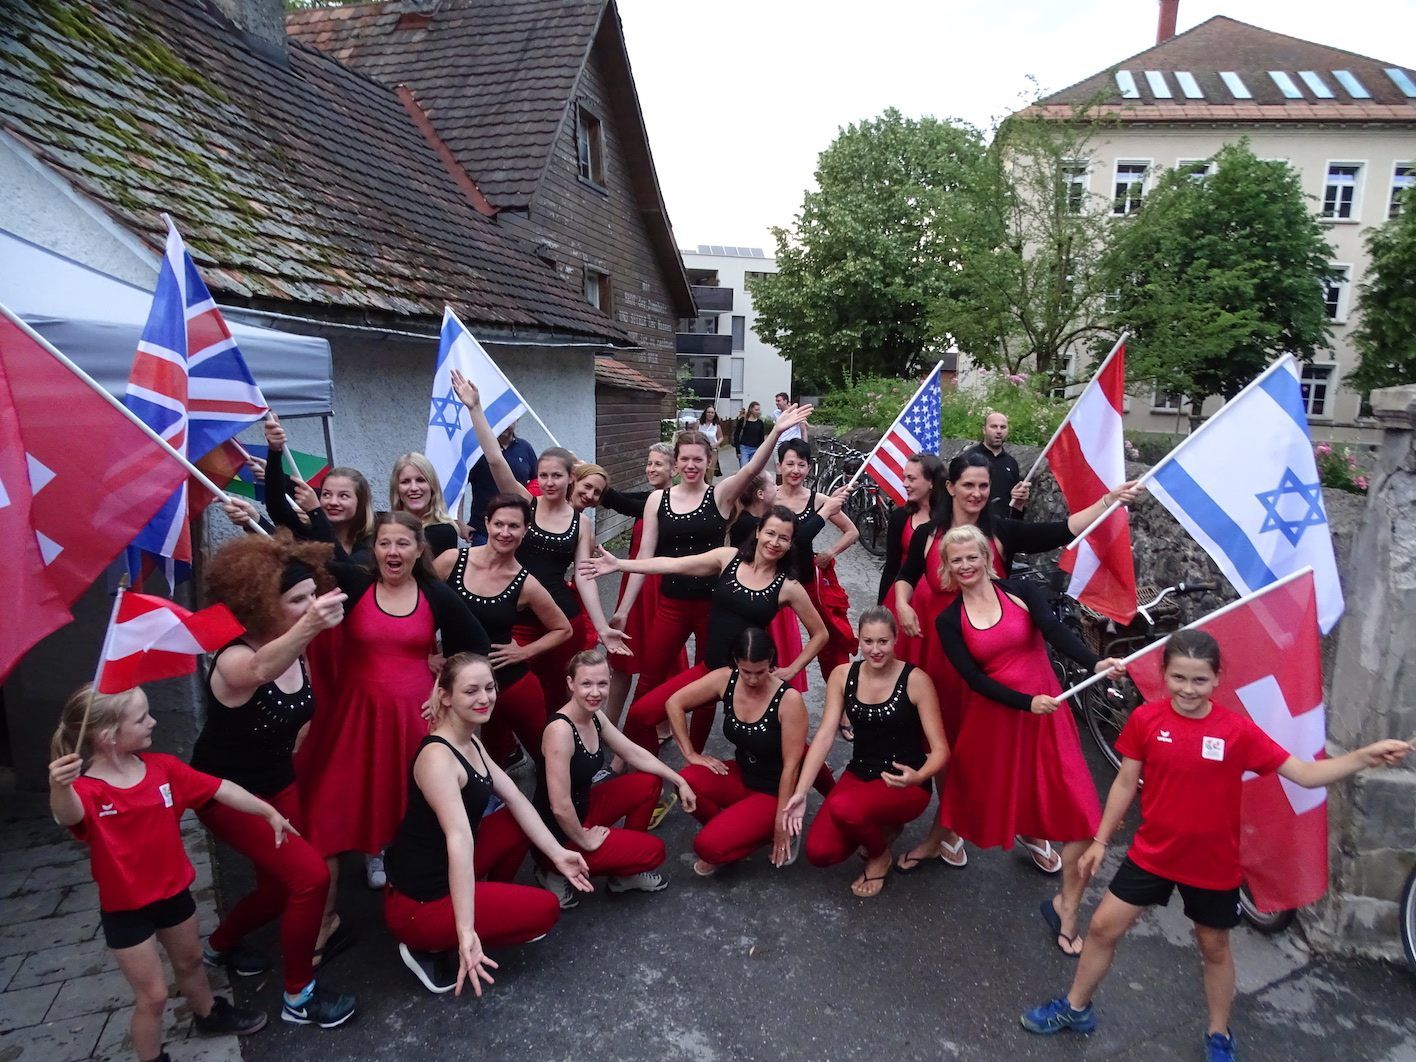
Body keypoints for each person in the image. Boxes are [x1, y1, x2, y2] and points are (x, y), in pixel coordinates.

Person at [1020, 630, 1413, 1061]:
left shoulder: (1236, 731)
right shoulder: (1147, 720)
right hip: (1152, 854)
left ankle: (1219, 1034)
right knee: (1100, 928)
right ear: (1164, 675)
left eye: (1199, 680)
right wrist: (1100, 841)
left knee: (1214, 947)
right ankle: (1076, 1008)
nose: (1188, 689)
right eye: (1179, 678)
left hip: (1212, 864)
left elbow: (1303, 772)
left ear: (1217, 679)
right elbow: (1126, 782)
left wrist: (1363, 757)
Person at [892, 451, 1140, 873]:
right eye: (967, 484)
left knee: (1010, 747)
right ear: (949, 487)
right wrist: (902, 604)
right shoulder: (926, 534)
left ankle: (1028, 825)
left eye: (984, 486)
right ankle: (947, 831)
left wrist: (1109, 500)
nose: (976, 493)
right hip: (941, 649)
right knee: (949, 744)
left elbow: (1061, 529)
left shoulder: (1001, 530)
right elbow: (904, 575)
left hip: (997, 651)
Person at [48, 685, 280, 1061]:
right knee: (153, 997)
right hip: (126, 910)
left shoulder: (162, 769)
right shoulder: (86, 790)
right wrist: (59, 786)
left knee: (190, 964)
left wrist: (266, 811)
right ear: (108, 736)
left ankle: (208, 1014)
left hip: (174, 895)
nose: (153, 721)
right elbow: (67, 814)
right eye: (142, 718)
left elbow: (219, 788)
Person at [928, 525, 1124, 955]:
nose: (964, 566)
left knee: (1082, 816)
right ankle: (964, 836)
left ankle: (1066, 906)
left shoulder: (1020, 591)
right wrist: (1024, 702)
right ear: (947, 565)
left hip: (1047, 717)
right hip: (999, 719)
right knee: (990, 796)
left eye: (971, 557)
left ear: (986, 557)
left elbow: (1055, 633)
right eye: (955, 559)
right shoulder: (948, 619)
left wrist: (1094, 663)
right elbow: (973, 680)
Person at [191, 532, 357, 1028]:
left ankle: (219, 948)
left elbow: (298, 721)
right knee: (310, 878)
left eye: (313, 595)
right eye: (297, 600)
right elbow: (261, 669)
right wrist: (311, 623)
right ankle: (298, 997)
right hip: (225, 792)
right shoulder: (235, 658)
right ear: (263, 603)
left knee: (280, 886)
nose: (311, 606)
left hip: (277, 782)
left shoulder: (298, 650)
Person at [295, 511, 490, 892]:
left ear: (419, 549)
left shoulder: (435, 593)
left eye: (403, 543)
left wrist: (443, 681)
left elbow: (477, 644)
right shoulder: (355, 581)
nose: (392, 550)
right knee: (358, 787)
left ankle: (402, 856)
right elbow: (305, 556)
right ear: (374, 549)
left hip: (414, 713)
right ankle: (371, 850)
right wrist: (253, 516)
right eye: (384, 543)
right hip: (359, 713)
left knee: (407, 789)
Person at [383, 653, 592, 997]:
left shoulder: (470, 740)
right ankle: (429, 945)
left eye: (490, 687)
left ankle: (487, 902)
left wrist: (558, 854)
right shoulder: (438, 758)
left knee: (516, 820)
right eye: (471, 691)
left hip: (440, 872)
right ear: (446, 696)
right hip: (417, 905)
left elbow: (516, 799)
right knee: (544, 911)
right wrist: (465, 931)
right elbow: (459, 838)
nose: (485, 698)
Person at [611, 404, 811, 720]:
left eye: (698, 459)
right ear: (675, 463)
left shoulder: (719, 495)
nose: (691, 465)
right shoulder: (656, 500)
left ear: (708, 462)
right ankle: (634, 749)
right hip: (671, 601)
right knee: (650, 676)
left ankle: (697, 754)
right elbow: (644, 556)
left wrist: (774, 432)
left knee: (710, 682)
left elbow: (750, 469)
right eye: (685, 459)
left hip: (713, 604)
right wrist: (622, 610)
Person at [582, 504, 829, 754]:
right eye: (770, 533)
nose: (775, 542)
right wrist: (620, 564)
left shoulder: (788, 586)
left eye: (783, 538)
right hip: (710, 669)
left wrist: (793, 668)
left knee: (790, 744)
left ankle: (697, 766)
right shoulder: (728, 558)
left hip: (748, 677)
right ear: (758, 532)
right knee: (640, 715)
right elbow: (674, 565)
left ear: (790, 544)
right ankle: (659, 772)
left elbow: (820, 634)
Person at [450, 370, 626, 711]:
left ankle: (556, 755)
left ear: (570, 477)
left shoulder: (581, 523)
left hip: (560, 618)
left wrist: (602, 627)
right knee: (504, 693)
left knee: (557, 695)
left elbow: (584, 578)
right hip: (515, 617)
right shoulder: (524, 505)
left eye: (556, 476)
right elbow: (495, 460)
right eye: (543, 475)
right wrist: (475, 410)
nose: (548, 482)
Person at [783, 608, 948, 898]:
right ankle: (881, 824)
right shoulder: (843, 675)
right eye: (869, 642)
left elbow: (940, 750)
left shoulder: (916, 680)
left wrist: (919, 775)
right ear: (859, 641)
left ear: (896, 640)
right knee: (820, 852)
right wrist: (801, 791)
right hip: (860, 773)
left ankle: (879, 855)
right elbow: (824, 735)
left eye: (883, 641)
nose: (875, 650)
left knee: (845, 808)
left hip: (904, 781)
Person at [532, 649, 699, 907]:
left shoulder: (594, 715)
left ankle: (624, 875)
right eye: (586, 683)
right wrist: (584, 838)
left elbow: (631, 751)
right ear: (570, 683)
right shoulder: (560, 731)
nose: (595, 692)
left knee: (649, 781)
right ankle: (552, 869)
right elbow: (560, 806)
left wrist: (679, 780)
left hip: (583, 810)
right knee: (653, 852)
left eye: (602, 683)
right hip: (558, 834)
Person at [433, 494, 573, 768]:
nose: (504, 532)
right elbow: (419, 606)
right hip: (457, 681)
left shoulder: (525, 583)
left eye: (513, 526)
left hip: (510, 683)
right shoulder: (451, 561)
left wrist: (524, 651)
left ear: (526, 530)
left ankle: (556, 805)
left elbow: (562, 629)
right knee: (476, 759)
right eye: (498, 524)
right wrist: (428, 653)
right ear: (486, 523)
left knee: (545, 756)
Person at [666, 628, 820, 876]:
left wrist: (782, 822)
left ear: (770, 661)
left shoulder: (788, 699)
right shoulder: (726, 678)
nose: (752, 679)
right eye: (746, 671)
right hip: (741, 774)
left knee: (706, 848)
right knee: (686, 781)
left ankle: (766, 830)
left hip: (772, 791)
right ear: (736, 662)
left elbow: (792, 767)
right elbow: (674, 703)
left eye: (760, 671)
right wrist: (691, 754)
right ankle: (733, 831)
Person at [596, 442, 681, 727]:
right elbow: (619, 500)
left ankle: (661, 723)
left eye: (658, 463)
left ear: (675, 469)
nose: (651, 468)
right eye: (649, 462)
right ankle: (609, 722)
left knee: (660, 661)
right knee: (621, 658)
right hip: (633, 585)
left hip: (660, 587)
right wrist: (593, 478)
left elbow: (624, 503)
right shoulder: (651, 497)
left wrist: (606, 492)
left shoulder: (675, 501)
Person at [775, 438, 859, 682]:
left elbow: (852, 531)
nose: (795, 471)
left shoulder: (819, 500)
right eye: (790, 464)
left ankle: (840, 696)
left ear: (808, 468)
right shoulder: (769, 498)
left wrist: (831, 552)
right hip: (774, 580)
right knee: (773, 639)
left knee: (830, 638)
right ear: (779, 466)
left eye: (801, 465)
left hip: (807, 580)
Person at [877, 453, 944, 609]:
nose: (905, 484)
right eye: (904, 478)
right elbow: (891, 566)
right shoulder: (900, 517)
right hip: (902, 598)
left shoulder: (951, 517)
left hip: (937, 601)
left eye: (911, 479)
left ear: (932, 482)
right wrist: (881, 606)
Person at [467, 421, 537, 545]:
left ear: (517, 420)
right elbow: (460, 485)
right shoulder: (478, 449)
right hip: (483, 530)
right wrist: (458, 521)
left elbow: (535, 482)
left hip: (515, 528)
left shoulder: (525, 448)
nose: (505, 424)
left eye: (509, 420)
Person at [389, 452, 462, 557]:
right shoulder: (384, 527)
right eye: (405, 482)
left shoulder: (444, 532)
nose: (414, 488)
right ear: (396, 489)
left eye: (420, 480)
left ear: (432, 486)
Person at [969, 412, 1028, 520]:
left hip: (1004, 526)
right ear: (984, 430)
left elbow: (1016, 505)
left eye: (1003, 427)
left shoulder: (1011, 463)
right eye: (994, 426)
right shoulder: (969, 459)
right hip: (975, 525)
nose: (999, 431)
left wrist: (1019, 499)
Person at [733, 401, 767, 466]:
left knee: (753, 470)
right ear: (751, 409)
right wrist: (738, 451)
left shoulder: (760, 422)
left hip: (755, 449)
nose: (758, 411)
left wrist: (761, 451)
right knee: (744, 468)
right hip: (744, 449)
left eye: (759, 410)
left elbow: (761, 438)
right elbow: (736, 435)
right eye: (756, 410)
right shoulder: (743, 421)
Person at [696, 405, 723, 474]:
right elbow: (694, 435)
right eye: (708, 412)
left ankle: (709, 484)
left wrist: (716, 444)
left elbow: (721, 437)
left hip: (712, 451)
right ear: (705, 413)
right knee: (701, 471)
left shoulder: (716, 426)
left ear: (714, 414)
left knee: (710, 471)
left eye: (712, 413)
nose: (710, 414)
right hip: (700, 450)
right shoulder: (699, 424)